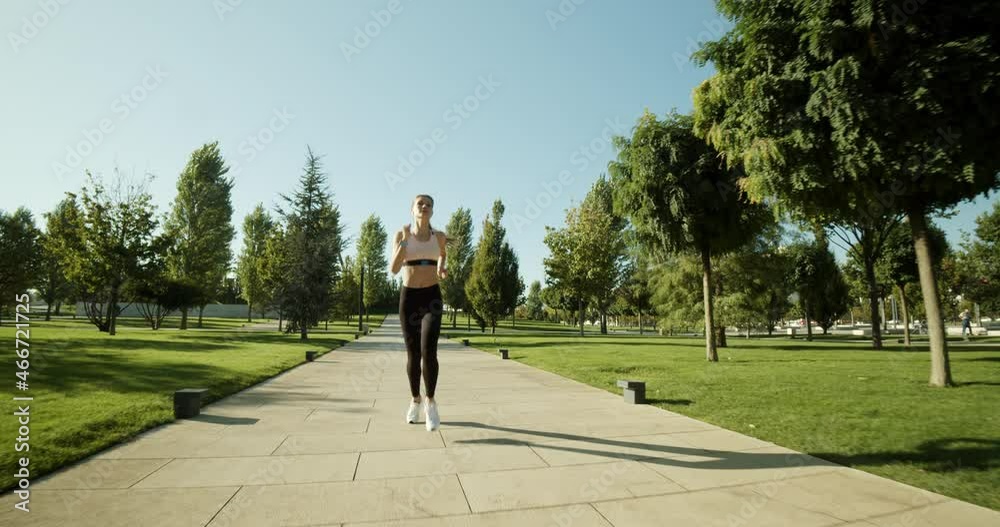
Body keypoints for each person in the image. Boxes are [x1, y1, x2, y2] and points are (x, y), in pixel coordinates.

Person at [390, 194, 448, 431]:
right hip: (409, 299)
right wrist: (404, 243)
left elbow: (442, 254)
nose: (424, 207)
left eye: (428, 205)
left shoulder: (439, 237)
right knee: (413, 355)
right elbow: (394, 269)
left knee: (429, 350)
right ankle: (415, 399)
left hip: (432, 298)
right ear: (412, 209)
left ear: (432, 211)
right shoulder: (402, 234)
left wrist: (441, 268)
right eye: (420, 204)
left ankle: (431, 402)